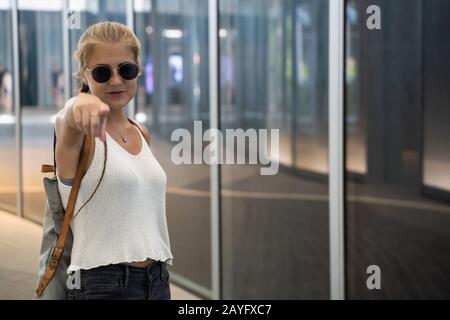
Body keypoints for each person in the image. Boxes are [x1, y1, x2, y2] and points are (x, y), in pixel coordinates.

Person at [54, 22, 173, 300]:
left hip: (157, 281)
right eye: (102, 72)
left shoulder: (140, 132)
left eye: (126, 69)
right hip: (103, 286)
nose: (116, 80)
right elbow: (66, 119)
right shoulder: (78, 131)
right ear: (85, 75)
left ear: (138, 71)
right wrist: (78, 103)